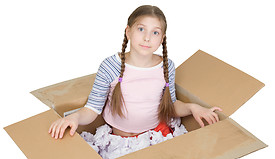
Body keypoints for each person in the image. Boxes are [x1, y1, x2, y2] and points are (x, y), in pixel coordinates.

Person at [49, 5, 222, 140]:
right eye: (141, 29)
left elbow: (171, 106)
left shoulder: (166, 66)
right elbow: (92, 109)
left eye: (155, 32)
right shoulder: (110, 66)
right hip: (118, 139)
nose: (147, 38)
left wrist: (193, 107)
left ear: (161, 39)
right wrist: (75, 118)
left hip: (155, 136)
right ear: (128, 31)